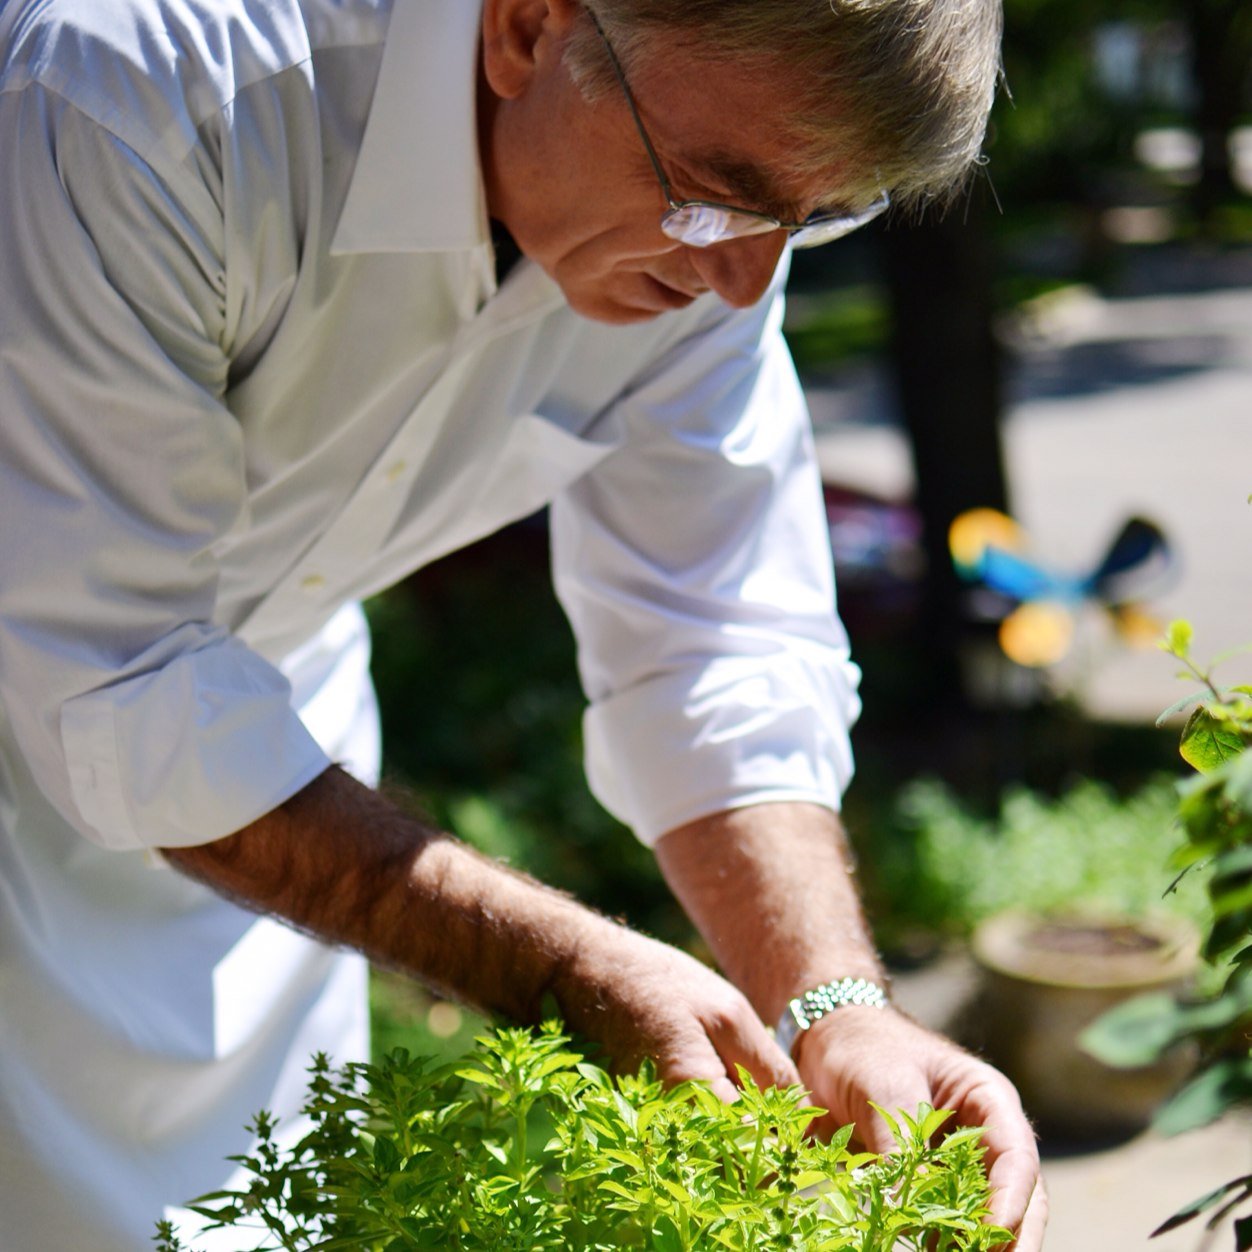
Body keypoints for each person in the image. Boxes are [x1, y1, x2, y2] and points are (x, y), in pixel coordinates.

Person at [0, 0, 1046, 1247]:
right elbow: (115, 673)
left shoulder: (718, 221)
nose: (743, 277)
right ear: (528, 27)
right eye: (717, 193)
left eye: (813, 218)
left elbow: (714, 636)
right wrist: (562, 968)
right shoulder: (132, 92)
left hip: (270, 769)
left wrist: (836, 1007)